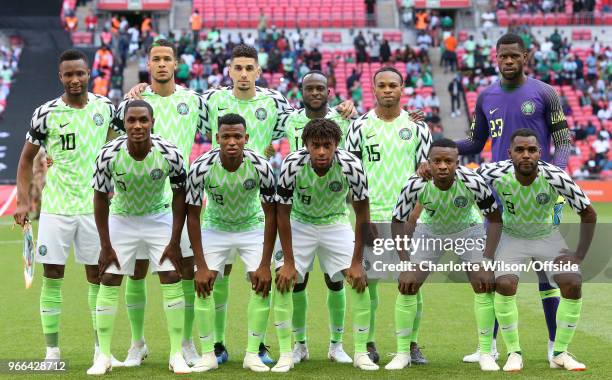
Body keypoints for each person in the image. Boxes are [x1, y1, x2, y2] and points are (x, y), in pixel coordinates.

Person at [449, 33, 573, 363]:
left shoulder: (546, 93)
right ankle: (487, 347)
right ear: (495, 57)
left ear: (525, 56)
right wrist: (440, 144)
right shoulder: (485, 95)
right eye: (503, 56)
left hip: (541, 195)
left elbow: (563, 141)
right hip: (498, 197)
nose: (508, 61)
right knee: (492, 271)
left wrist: (555, 178)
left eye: (514, 56)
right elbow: (475, 144)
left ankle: (554, 346)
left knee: (547, 274)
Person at [13, 49, 121, 366]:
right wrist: (22, 201)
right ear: (60, 77)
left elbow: (117, 147)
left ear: (89, 74)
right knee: (53, 275)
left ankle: (101, 351)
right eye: (68, 74)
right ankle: (52, 353)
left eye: (80, 73)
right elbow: (24, 160)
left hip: (94, 209)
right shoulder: (46, 113)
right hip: (57, 209)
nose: (75, 79)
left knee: (96, 276)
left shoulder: (106, 108)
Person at [113, 39, 207, 368]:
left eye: (168, 58)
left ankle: (185, 343)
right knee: (136, 272)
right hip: (140, 204)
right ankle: (137, 343)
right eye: (156, 59)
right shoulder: (135, 103)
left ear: (177, 63)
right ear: (148, 65)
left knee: (185, 271)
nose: (162, 64)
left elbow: (227, 133)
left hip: (181, 201)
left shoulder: (194, 101)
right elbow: (110, 144)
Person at [477, 128, 596, 371]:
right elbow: (462, 179)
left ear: (540, 153)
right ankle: (513, 353)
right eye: (519, 150)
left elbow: (588, 213)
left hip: (547, 237)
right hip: (512, 237)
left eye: (532, 150)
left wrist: (578, 255)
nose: (526, 155)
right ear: (510, 153)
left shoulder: (555, 176)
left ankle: (560, 353)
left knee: (573, 282)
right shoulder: (493, 172)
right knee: (505, 284)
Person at [88, 100, 189, 375]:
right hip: (122, 217)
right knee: (108, 278)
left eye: (143, 120)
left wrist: (174, 240)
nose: (137, 125)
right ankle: (104, 356)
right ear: (125, 124)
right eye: (131, 120)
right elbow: (99, 198)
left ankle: (176, 354)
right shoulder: (109, 153)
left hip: (159, 217)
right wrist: (106, 245)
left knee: (170, 276)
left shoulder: (169, 152)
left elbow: (181, 195)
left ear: (152, 122)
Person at [388, 138, 502, 371]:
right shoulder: (415, 183)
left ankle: (486, 352)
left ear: (457, 163)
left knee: (483, 283)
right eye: (437, 161)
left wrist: (488, 260)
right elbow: (398, 221)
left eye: (448, 161)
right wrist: (405, 263)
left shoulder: (473, 181)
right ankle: (402, 353)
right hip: (430, 232)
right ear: (428, 162)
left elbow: (496, 219)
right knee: (407, 284)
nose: (442, 166)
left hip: (468, 230)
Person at [346, 67, 432, 365]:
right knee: (366, 282)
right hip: (369, 217)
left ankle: (410, 344)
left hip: (407, 220)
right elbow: (350, 176)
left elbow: (427, 178)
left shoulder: (418, 126)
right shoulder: (358, 127)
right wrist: (362, 219)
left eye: (392, 85)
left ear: (401, 88)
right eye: (381, 85)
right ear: (373, 88)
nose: (387, 90)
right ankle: (367, 344)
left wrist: (412, 220)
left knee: (410, 283)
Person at [275, 118, 375, 370]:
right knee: (286, 281)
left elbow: (363, 214)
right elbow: (282, 214)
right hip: (300, 223)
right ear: (306, 144)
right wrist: (288, 262)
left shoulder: (351, 165)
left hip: (335, 222)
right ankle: (292, 349)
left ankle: (350, 349)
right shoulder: (292, 164)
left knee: (358, 280)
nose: (321, 151)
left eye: (327, 146)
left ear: (336, 145)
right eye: (315, 145)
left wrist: (356, 262)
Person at [185, 113, 278, 372]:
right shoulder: (201, 166)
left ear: (246, 138)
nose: (232, 141)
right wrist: (201, 265)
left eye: (238, 136)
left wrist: (264, 263)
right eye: (226, 136)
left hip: (252, 226)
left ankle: (252, 354)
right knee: (203, 284)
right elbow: (192, 215)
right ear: (217, 138)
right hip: (216, 226)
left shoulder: (261, 165)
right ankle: (208, 355)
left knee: (261, 283)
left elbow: (272, 213)